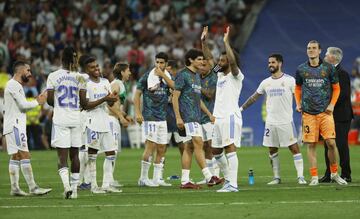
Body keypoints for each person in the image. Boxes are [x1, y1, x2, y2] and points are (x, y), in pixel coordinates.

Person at [240, 54, 306, 185]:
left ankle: (300, 176)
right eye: (269, 62)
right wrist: (241, 109)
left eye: (273, 62)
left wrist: (301, 106)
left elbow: (299, 96)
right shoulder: (266, 82)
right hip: (271, 122)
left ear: (280, 63)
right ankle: (276, 177)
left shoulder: (290, 80)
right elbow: (254, 97)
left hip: (286, 121)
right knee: (272, 149)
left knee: (294, 148)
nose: (270, 64)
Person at [294, 40, 347, 186]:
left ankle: (335, 174)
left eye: (314, 48)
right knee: (311, 145)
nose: (311, 50)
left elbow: (336, 88)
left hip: (325, 112)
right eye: (308, 48)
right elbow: (297, 88)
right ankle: (314, 177)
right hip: (308, 113)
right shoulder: (301, 69)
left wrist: (331, 105)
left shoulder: (329, 68)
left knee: (331, 143)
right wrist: (298, 104)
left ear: (319, 51)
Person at [172, 48, 222, 189]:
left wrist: (209, 113)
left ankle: (185, 181)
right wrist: (178, 118)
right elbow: (175, 97)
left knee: (189, 147)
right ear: (190, 60)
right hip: (187, 117)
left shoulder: (197, 76)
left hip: (197, 116)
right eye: (199, 59)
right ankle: (209, 177)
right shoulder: (183, 75)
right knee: (199, 143)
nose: (202, 61)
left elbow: (197, 99)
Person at [201, 26, 243, 192]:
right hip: (218, 118)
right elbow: (210, 59)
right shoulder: (219, 73)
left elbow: (231, 62)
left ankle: (233, 184)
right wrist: (203, 42)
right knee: (216, 150)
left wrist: (226, 43)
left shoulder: (236, 75)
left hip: (230, 117)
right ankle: (228, 179)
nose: (220, 62)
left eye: (223, 60)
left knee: (230, 148)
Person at [3, 60, 52, 196]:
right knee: (25, 154)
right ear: (20, 71)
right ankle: (33, 187)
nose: (30, 74)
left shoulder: (14, 85)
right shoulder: (14, 85)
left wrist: (37, 98)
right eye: (28, 70)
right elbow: (24, 105)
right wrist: (38, 101)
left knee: (16, 156)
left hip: (13, 124)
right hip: (15, 125)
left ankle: (15, 188)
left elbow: (19, 105)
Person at [47, 47, 87, 198]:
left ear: (61, 58)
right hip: (76, 119)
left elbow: (50, 100)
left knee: (62, 157)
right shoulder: (80, 77)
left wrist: (57, 103)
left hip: (60, 119)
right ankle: (75, 191)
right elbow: (83, 101)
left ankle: (66, 187)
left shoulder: (53, 75)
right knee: (75, 155)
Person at [80, 56, 120, 193]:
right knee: (93, 154)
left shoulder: (105, 81)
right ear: (86, 70)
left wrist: (112, 99)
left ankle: (106, 185)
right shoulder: (85, 83)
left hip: (105, 120)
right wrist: (105, 98)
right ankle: (93, 185)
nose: (96, 69)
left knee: (111, 153)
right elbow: (85, 105)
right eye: (92, 67)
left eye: (97, 66)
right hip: (92, 121)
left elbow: (110, 102)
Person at [134, 52, 174, 187]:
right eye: (157, 62)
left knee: (162, 148)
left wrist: (163, 75)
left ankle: (157, 179)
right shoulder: (147, 76)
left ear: (166, 64)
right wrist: (138, 112)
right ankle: (143, 178)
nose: (159, 65)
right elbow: (137, 94)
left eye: (162, 62)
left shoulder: (167, 76)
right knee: (150, 146)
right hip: (150, 116)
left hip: (162, 117)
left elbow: (175, 87)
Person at [320, 47, 353, 183]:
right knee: (327, 145)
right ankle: (329, 173)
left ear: (333, 57)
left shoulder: (342, 74)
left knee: (340, 144)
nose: (325, 56)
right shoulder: (327, 72)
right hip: (329, 115)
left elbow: (343, 95)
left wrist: (328, 104)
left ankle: (346, 173)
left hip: (341, 115)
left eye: (327, 55)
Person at [107, 62, 133, 188]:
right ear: (122, 72)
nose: (130, 73)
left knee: (113, 151)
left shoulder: (119, 84)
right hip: (110, 120)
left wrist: (125, 115)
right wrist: (121, 117)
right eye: (128, 70)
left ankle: (110, 179)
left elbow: (116, 105)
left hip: (113, 119)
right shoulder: (117, 84)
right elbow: (110, 103)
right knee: (112, 151)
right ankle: (108, 181)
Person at [197, 59, 220, 185]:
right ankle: (209, 176)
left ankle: (216, 174)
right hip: (198, 117)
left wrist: (197, 87)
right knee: (204, 146)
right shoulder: (197, 77)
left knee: (212, 145)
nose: (201, 66)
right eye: (200, 64)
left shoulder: (213, 78)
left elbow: (210, 95)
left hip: (210, 117)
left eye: (204, 65)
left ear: (210, 67)